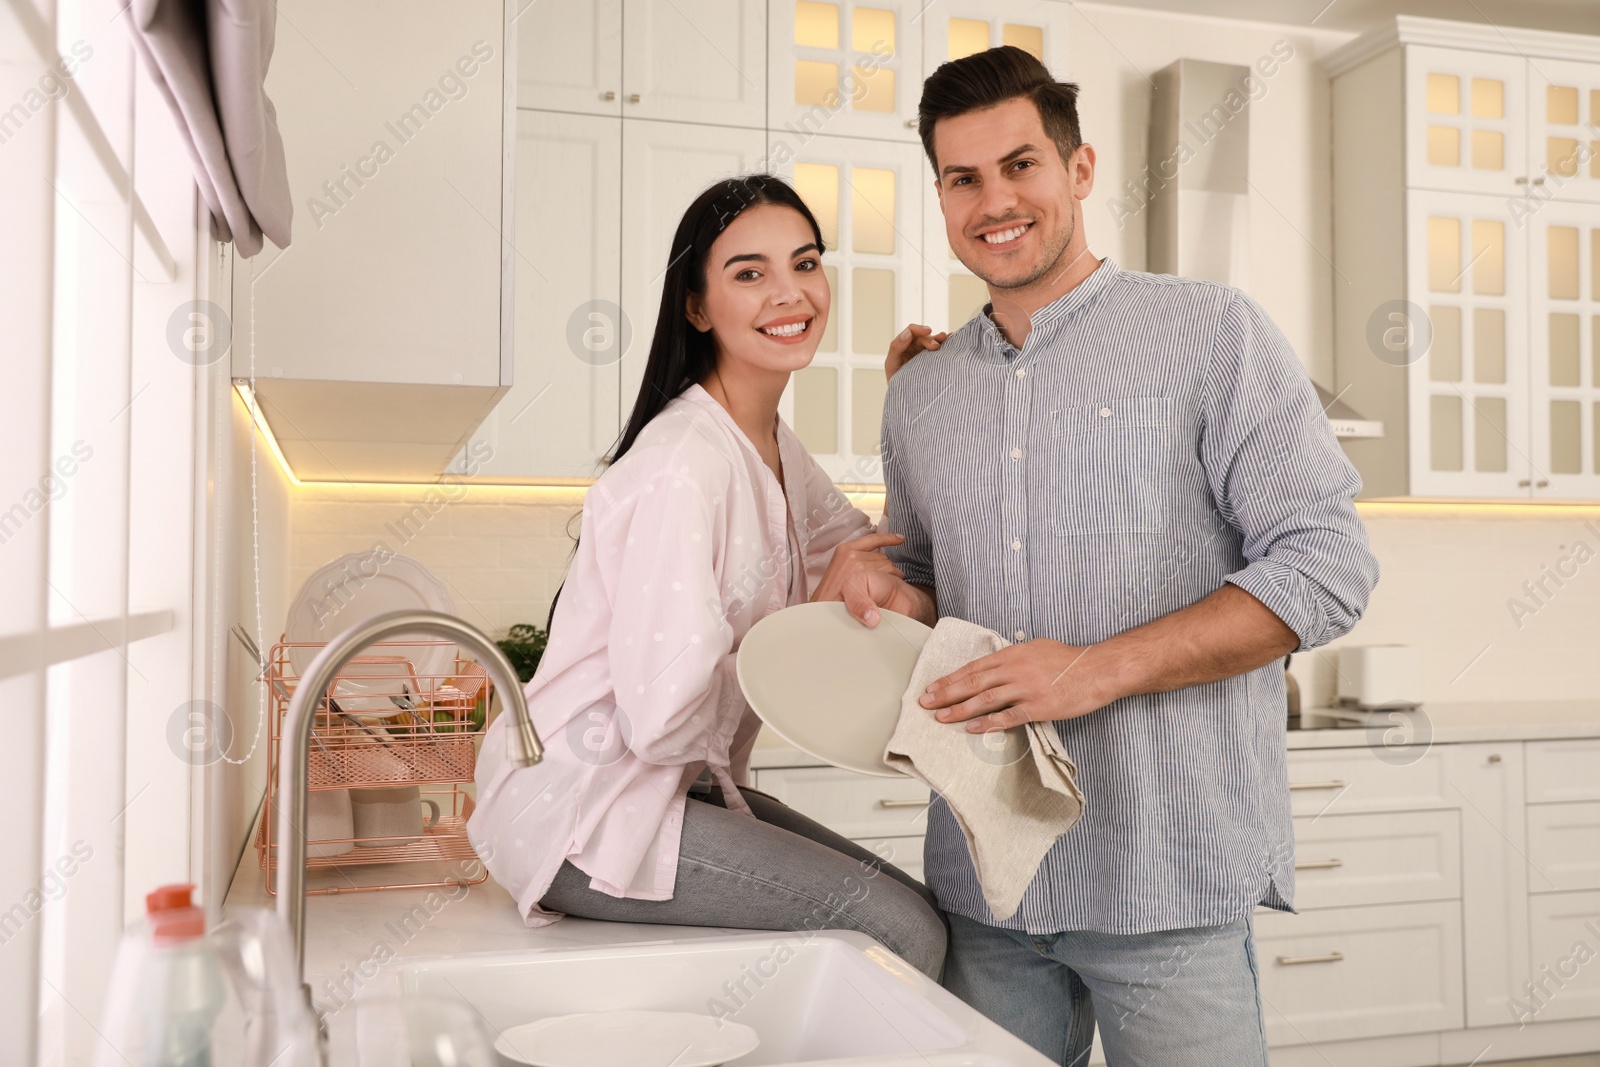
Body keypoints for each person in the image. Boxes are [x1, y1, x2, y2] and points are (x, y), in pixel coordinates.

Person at [820, 47, 1380, 1064]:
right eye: (963, 178)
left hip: (1164, 876)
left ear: (1079, 170)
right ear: (940, 196)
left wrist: (1087, 670)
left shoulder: (1213, 333)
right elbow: (939, 594)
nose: (995, 200)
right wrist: (881, 595)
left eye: (1021, 164)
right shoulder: (921, 392)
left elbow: (1326, 564)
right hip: (988, 884)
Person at [467, 175, 946, 978]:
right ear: (697, 307)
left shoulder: (772, 448)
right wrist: (812, 623)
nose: (789, 292)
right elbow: (659, 719)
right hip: (583, 811)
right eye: (749, 273)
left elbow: (878, 560)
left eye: (805, 263)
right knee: (905, 935)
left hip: (672, 793)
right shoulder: (682, 464)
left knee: (921, 918)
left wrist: (918, 411)